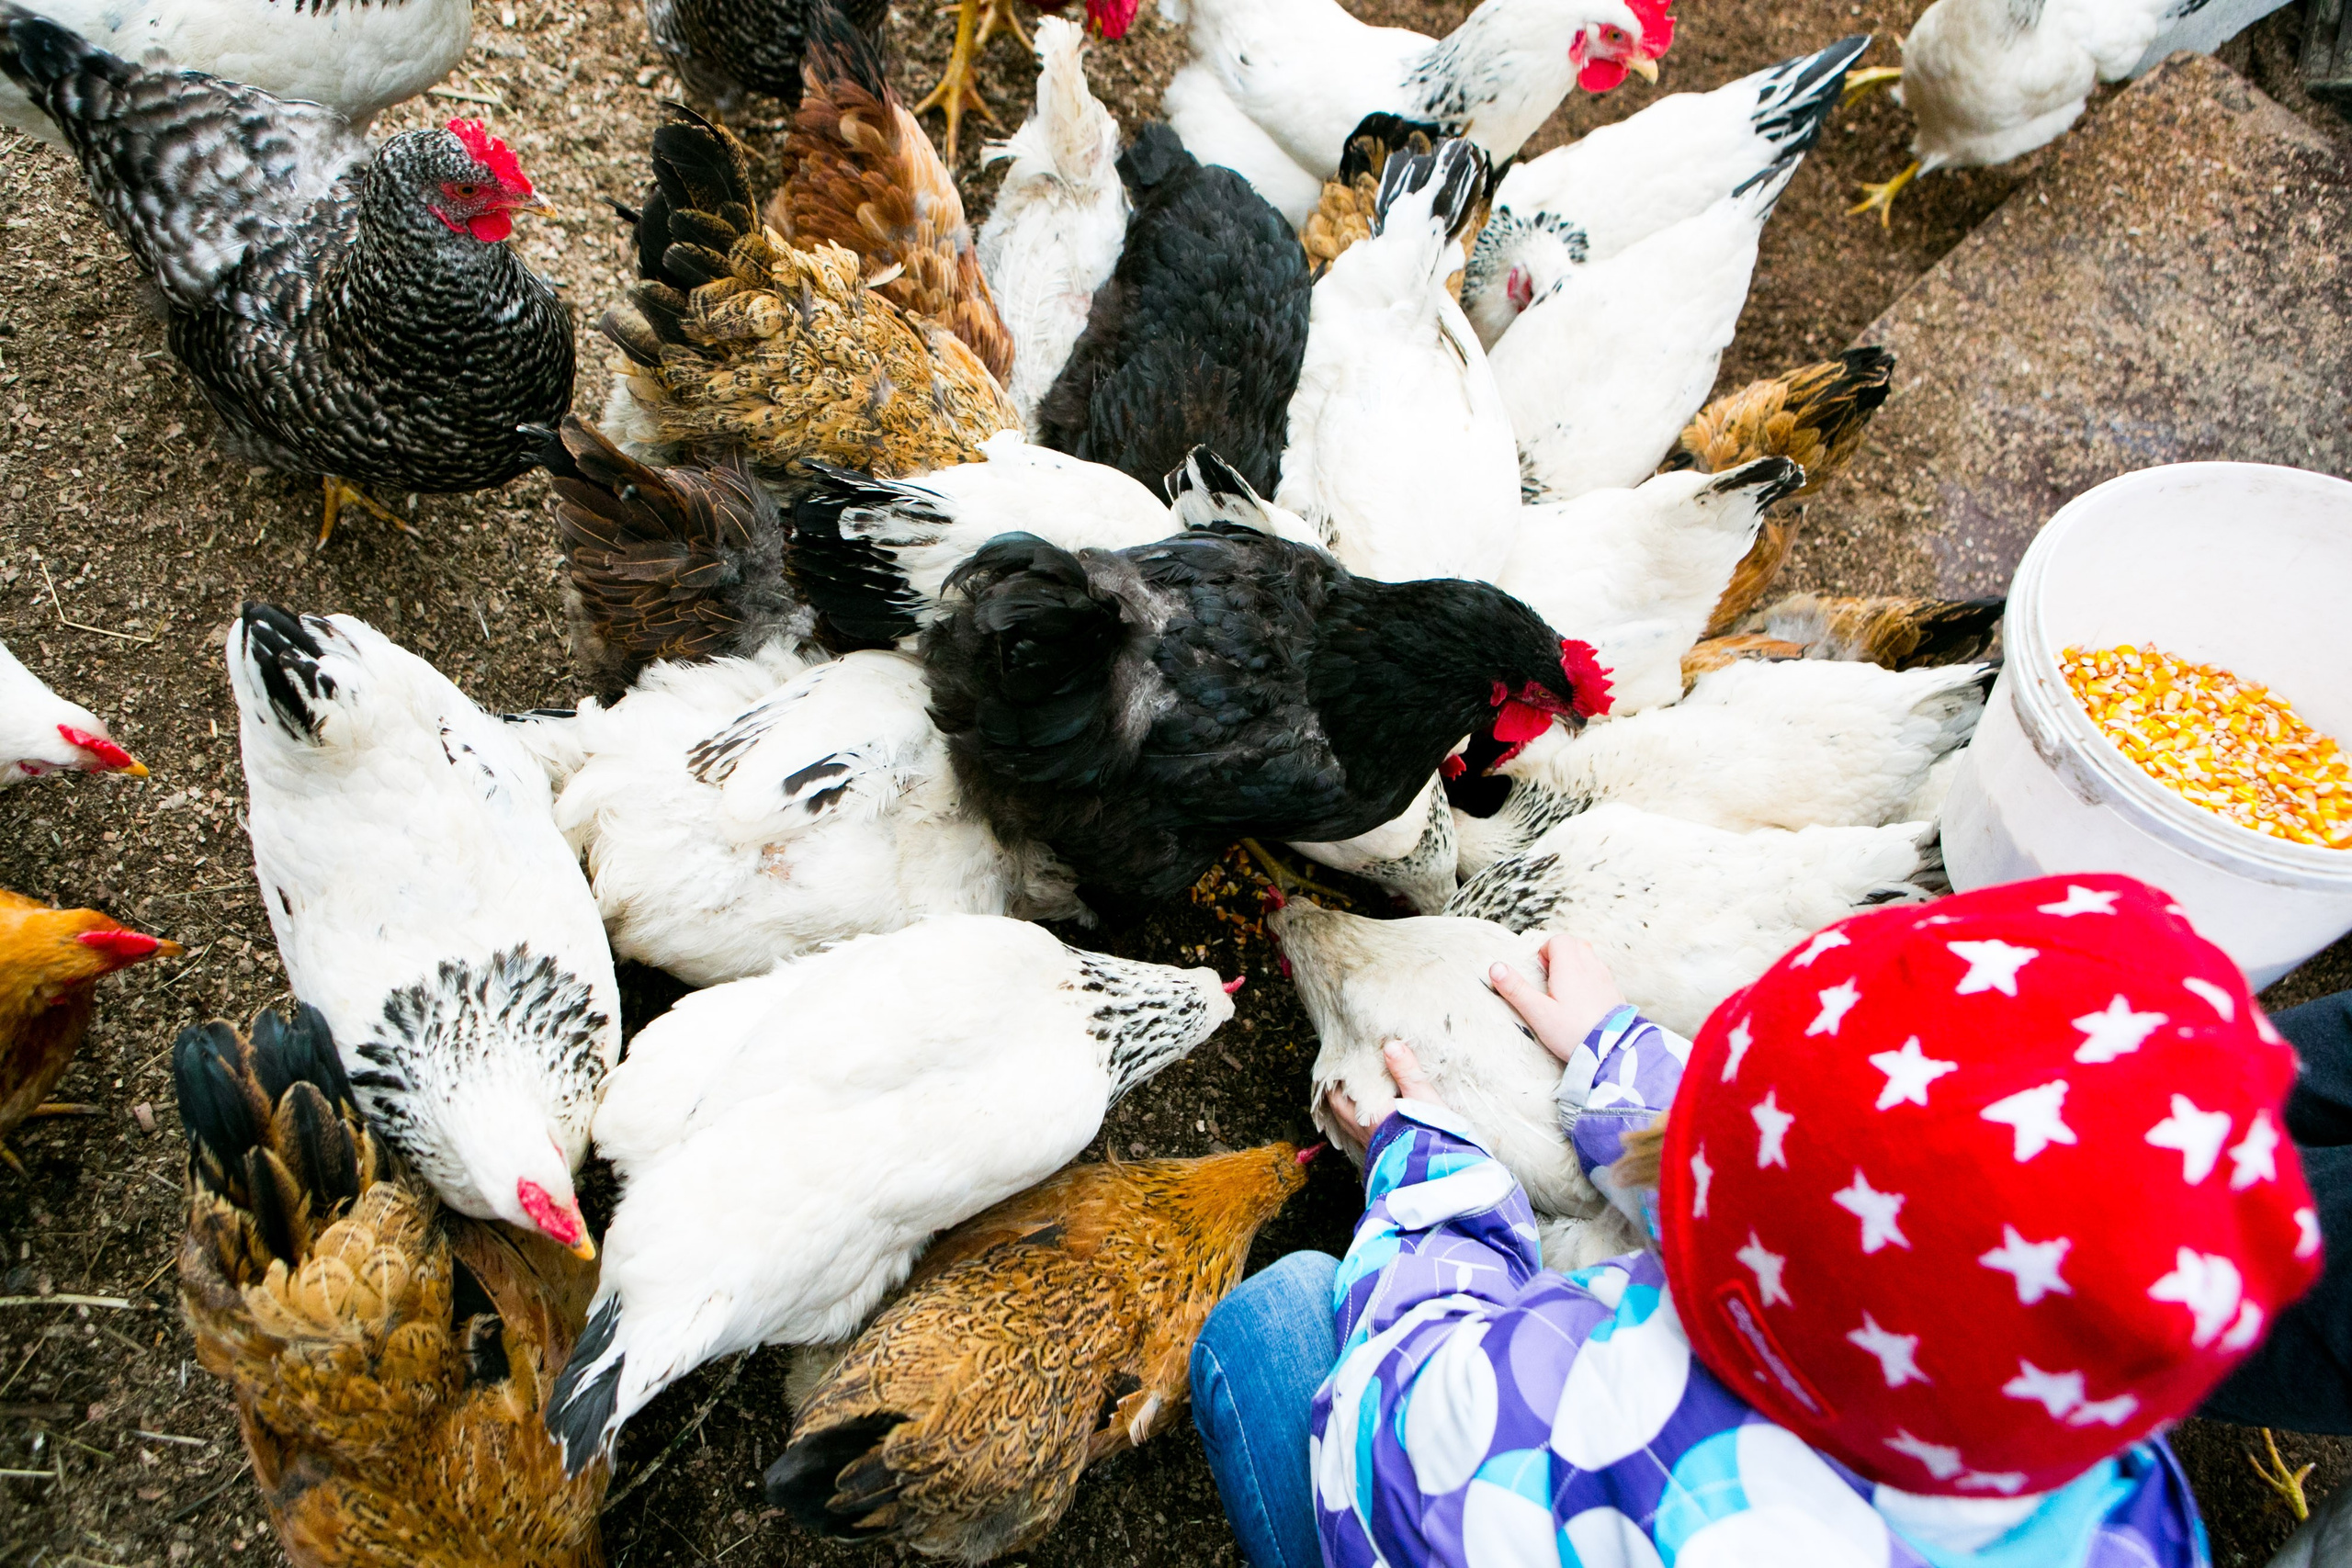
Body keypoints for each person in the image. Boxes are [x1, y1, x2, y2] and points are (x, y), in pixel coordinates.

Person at [1192, 873, 2320, 1567]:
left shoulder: (1578, 1414)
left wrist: (1437, 1170)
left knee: (1285, 1315)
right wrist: (1618, 1059)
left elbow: (1394, 1403)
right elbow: (1855, 1200)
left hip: (1420, 1489)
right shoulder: (2113, 1490)